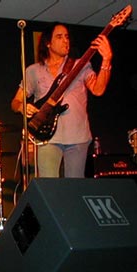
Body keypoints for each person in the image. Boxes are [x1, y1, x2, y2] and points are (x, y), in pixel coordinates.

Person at [11, 22, 112, 178]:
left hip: (78, 136)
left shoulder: (81, 64)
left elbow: (98, 90)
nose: (65, 40)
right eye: (59, 37)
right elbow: (16, 101)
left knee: (74, 187)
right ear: (48, 43)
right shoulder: (33, 70)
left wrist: (106, 60)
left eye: (67, 37)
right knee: (50, 187)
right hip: (47, 137)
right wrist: (21, 107)